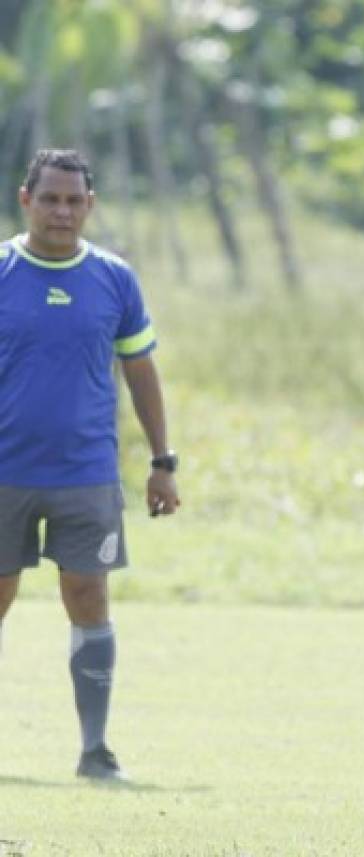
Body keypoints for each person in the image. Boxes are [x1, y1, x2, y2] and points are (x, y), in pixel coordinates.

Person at [0, 149, 181, 781]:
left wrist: (163, 461)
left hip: (86, 475)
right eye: (50, 198)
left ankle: (95, 752)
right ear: (26, 200)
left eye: (74, 200)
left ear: (90, 205)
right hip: (3, 474)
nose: (62, 211)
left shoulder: (114, 278)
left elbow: (140, 371)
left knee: (88, 596)